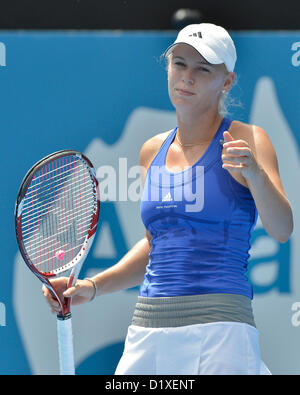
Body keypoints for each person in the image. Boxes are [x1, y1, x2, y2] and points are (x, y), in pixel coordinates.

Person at [43, 23, 293, 375]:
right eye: (179, 64)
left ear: (227, 82)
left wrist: (256, 175)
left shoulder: (248, 139)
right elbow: (155, 245)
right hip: (149, 327)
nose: (187, 77)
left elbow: (282, 230)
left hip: (222, 329)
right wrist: (92, 287)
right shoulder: (151, 151)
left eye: (203, 68)